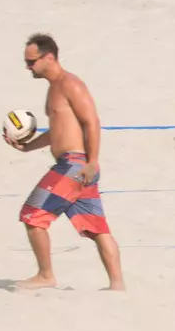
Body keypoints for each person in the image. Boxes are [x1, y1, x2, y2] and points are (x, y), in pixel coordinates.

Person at [9, 33, 125, 290]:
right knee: (97, 228)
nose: (28, 68)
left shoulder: (70, 84)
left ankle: (46, 275)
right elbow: (57, 132)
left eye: (32, 62)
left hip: (74, 165)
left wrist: (92, 161)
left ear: (49, 57)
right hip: (77, 166)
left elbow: (91, 121)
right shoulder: (54, 89)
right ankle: (117, 285)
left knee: (31, 216)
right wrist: (28, 147)